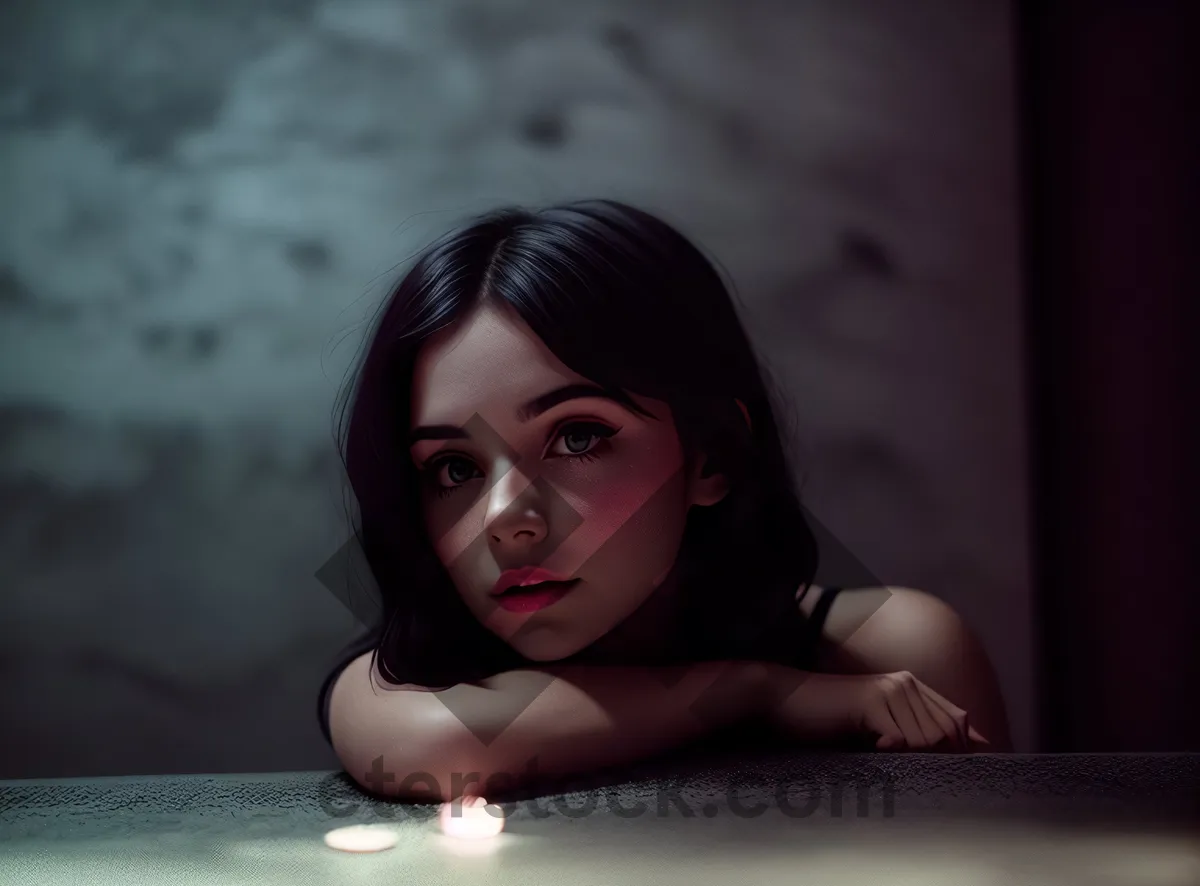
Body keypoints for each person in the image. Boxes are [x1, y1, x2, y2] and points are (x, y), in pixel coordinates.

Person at [318, 199, 1013, 800]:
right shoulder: (404, 679)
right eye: (453, 467)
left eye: (580, 437)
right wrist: (756, 691)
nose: (505, 519)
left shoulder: (895, 650)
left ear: (712, 456)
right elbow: (434, 749)